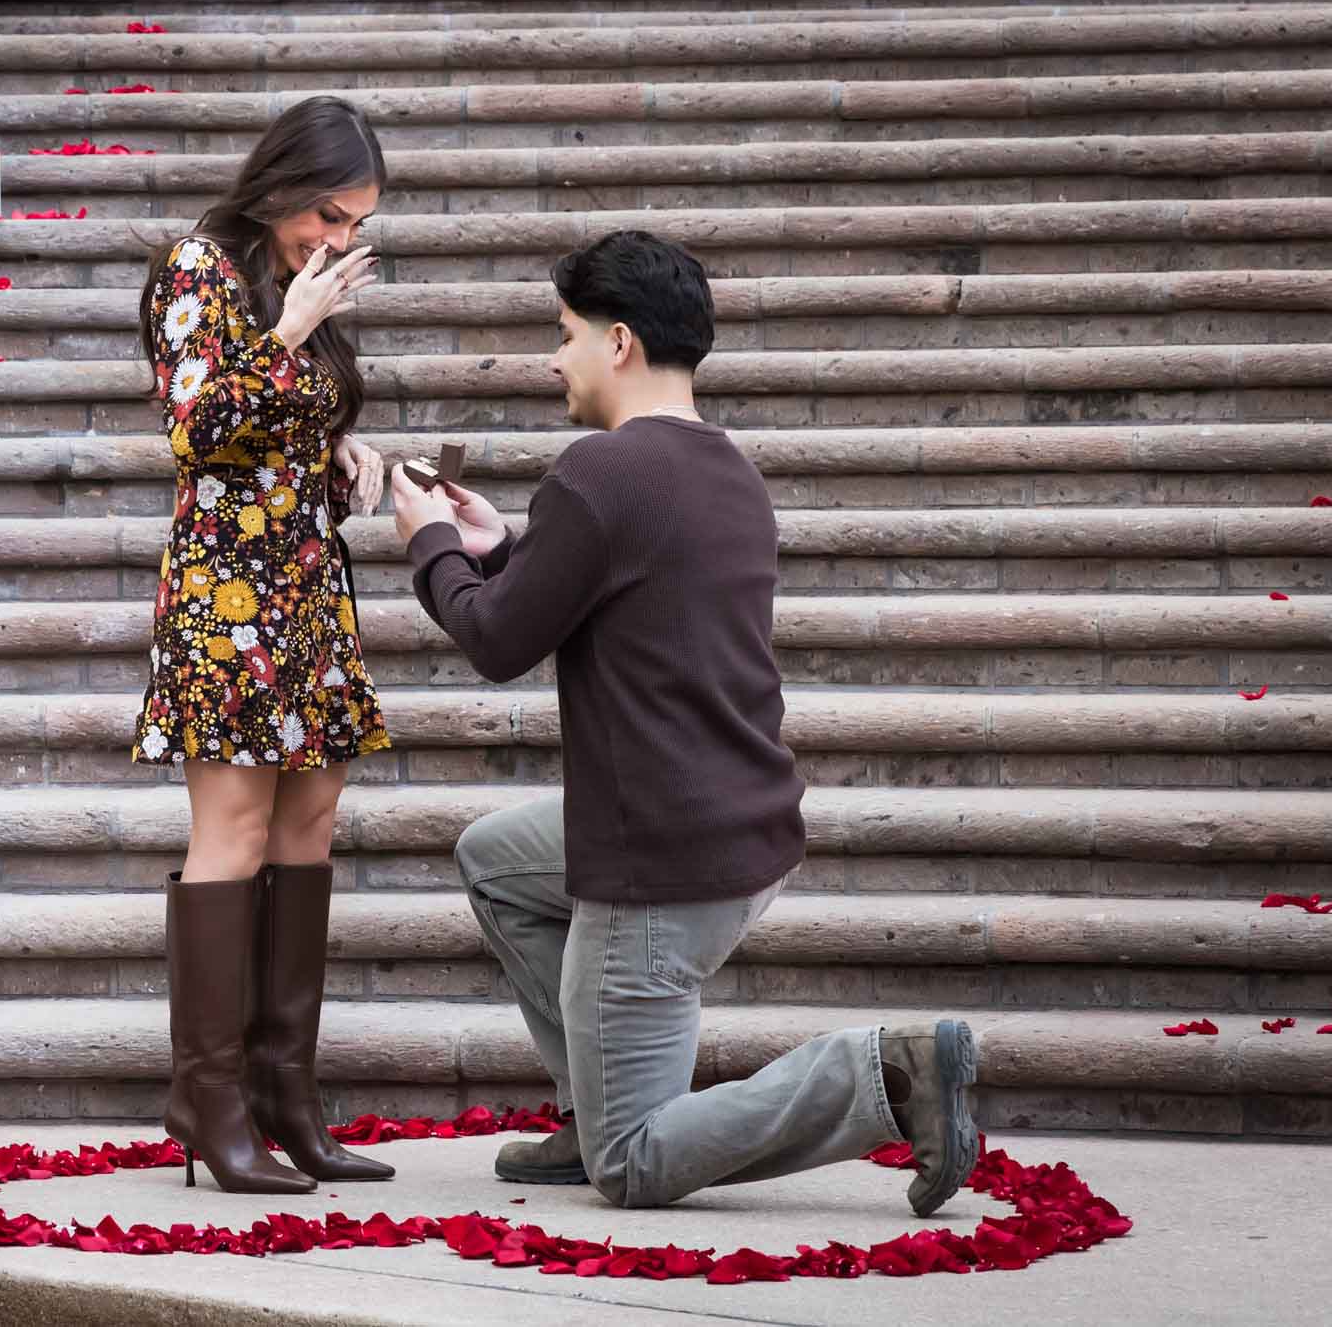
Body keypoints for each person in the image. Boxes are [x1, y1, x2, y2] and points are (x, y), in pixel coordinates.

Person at [388, 230, 980, 1216]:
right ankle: (594, 1099)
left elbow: (494, 643)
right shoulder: (722, 470)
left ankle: (888, 1072)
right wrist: (498, 549)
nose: (553, 356)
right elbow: (590, 588)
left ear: (617, 342)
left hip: (657, 861)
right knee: (495, 857)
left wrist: (432, 543)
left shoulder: (598, 473)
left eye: (565, 333)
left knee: (634, 1163)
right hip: (737, 821)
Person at [132, 96, 398, 1195]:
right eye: (327, 214)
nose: (335, 240)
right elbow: (196, 429)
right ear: (282, 181)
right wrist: (288, 328)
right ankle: (210, 1094)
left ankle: (287, 1091)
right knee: (233, 826)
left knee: (312, 820)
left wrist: (348, 455)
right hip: (224, 597)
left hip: (303, 586)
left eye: (355, 223)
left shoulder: (306, 274)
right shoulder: (199, 267)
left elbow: (289, 423)